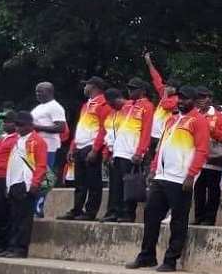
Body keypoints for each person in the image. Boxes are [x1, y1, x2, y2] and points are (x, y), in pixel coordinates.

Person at [126, 86, 210, 272]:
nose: (181, 101)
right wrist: (154, 169)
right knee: (151, 215)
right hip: (161, 177)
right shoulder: (171, 120)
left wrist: (191, 175)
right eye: (179, 98)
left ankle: (171, 259)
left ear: (194, 102)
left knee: (178, 221)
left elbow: (203, 150)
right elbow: (161, 147)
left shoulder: (199, 121)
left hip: (180, 178)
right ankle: (147, 256)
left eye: (185, 99)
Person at [58, 76, 110, 222]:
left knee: (93, 182)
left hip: (91, 146)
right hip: (80, 146)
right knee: (79, 181)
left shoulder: (103, 104)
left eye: (87, 85)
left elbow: (103, 129)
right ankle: (76, 209)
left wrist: (95, 149)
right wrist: (72, 147)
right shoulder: (86, 105)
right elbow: (80, 127)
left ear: (94, 87)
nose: (84, 88)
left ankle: (90, 211)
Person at [0, 111, 48, 259]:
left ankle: (20, 249)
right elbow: (11, 164)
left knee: (23, 219)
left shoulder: (37, 141)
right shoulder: (16, 140)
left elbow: (41, 164)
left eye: (21, 125)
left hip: (25, 183)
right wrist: (8, 185)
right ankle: (11, 246)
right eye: (16, 124)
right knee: (13, 218)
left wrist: (35, 183)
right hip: (14, 182)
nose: (18, 127)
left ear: (30, 125)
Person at [99, 86, 152, 223]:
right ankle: (113, 211)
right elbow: (113, 130)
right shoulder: (126, 106)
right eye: (128, 89)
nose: (129, 91)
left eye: (133, 89)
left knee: (129, 185)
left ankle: (127, 213)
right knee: (115, 184)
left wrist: (140, 151)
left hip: (131, 152)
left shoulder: (146, 106)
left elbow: (146, 131)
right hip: (118, 151)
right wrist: (109, 150)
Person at [193, 86, 222, 226]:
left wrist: (212, 130)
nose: (201, 100)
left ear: (210, 99)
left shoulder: (219, 116)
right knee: (198, 188)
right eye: (199, 98)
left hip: (214, 157)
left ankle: (209, 218)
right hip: (197, 157)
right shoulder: (194, 114)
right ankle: (198, 217)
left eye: (204, 97)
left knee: (213, 188)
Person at [30, 81, 66, 218]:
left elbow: (61, 127)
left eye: (41, 91)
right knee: (35, 177)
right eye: (36, 91)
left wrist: (39, 128)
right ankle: (33, 206)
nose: (38, 94)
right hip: (35, 146)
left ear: (50, 92)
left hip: (48, 147)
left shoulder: (55, 107)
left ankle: (39, 205)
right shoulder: (39, 107)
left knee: (45, 177)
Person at [144, 53, 179, 171]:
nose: (166, 87)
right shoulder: (165, 94)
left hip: (161, 136)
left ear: (174, 89)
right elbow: (157, 79)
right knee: (149, 161)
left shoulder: (176, 100)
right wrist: (149, 63)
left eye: (169, 86)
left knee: (158, 160)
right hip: (152, 135)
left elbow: (166, 105)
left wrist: (164, 94)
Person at [0, 113, 17, 256]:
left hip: (4, 178)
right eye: (4, 122)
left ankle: (3, 244)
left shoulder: (16, 139)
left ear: (15, 124)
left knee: (3, 213)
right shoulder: (1, 139)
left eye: (8, 122)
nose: (4, 124)